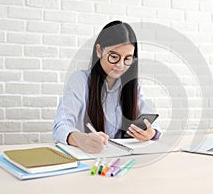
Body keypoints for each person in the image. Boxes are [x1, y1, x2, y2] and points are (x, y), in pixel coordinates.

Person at [53, 21, 161, 154]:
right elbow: (60, 126)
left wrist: (151, 133)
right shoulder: (79, 81)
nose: (121, 65)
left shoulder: (133, 86)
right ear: (99, 51)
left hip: (122, 159)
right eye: (114, 57)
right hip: (89, 158)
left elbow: (152, 123)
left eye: (127, 59)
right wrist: (81, 139)